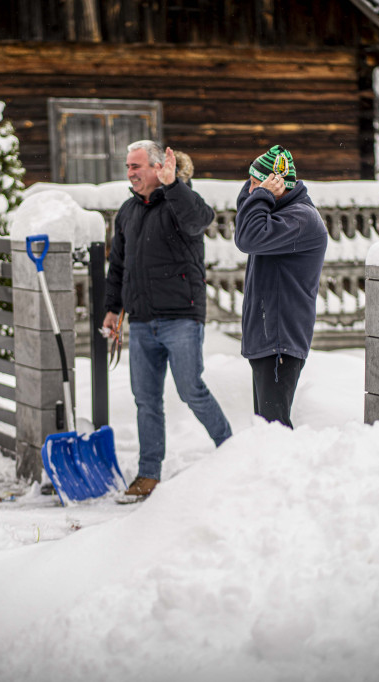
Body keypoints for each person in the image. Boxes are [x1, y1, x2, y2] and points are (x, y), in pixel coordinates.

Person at [103, 140, 232, 498]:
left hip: (181, 318)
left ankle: (232, 451)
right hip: (142, 320)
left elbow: (199, 220)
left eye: (137, 166)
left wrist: (174, 185)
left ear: (159, 168)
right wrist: (113, 309)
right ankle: (148, 474)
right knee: (146, 400)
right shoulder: (128, 211)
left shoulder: (180, 201)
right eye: (128, 167)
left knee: (192, 390)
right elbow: (119, 265)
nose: (130, 173)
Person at [234, 145, 327, 428]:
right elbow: (245, 223)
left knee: (275, 430)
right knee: (266, 428)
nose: (250, 191)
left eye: (255, 184)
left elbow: (247, 238)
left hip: (280, 342)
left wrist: (261, 194)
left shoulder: (301, 219)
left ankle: (289, 474)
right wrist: (259, 192)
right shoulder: (281, 215)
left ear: (277, 185)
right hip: (268, 339)